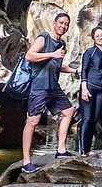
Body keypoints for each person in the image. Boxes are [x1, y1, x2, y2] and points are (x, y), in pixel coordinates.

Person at [21, 12, 80, 173]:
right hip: (39, 86)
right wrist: (52, 54)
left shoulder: (61, 44)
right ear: (54, 23)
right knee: (33, 121)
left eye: (66, 24)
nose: (63, 26)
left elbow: (57, 65)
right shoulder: (44, 38)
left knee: (69, 111)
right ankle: (26, 162)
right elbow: (30, 56)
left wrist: (73, 70)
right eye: (61, 23)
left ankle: (61, 150)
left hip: (53, 86)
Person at [78, 26, 102, 156]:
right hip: (89, 87)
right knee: (87, 118)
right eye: (97, 36)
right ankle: (83, 150)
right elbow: (84, 70)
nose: (100, 37)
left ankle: (88, 149)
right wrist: (84, 88)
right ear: (93, 39)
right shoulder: (90, 52)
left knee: (95, 119)